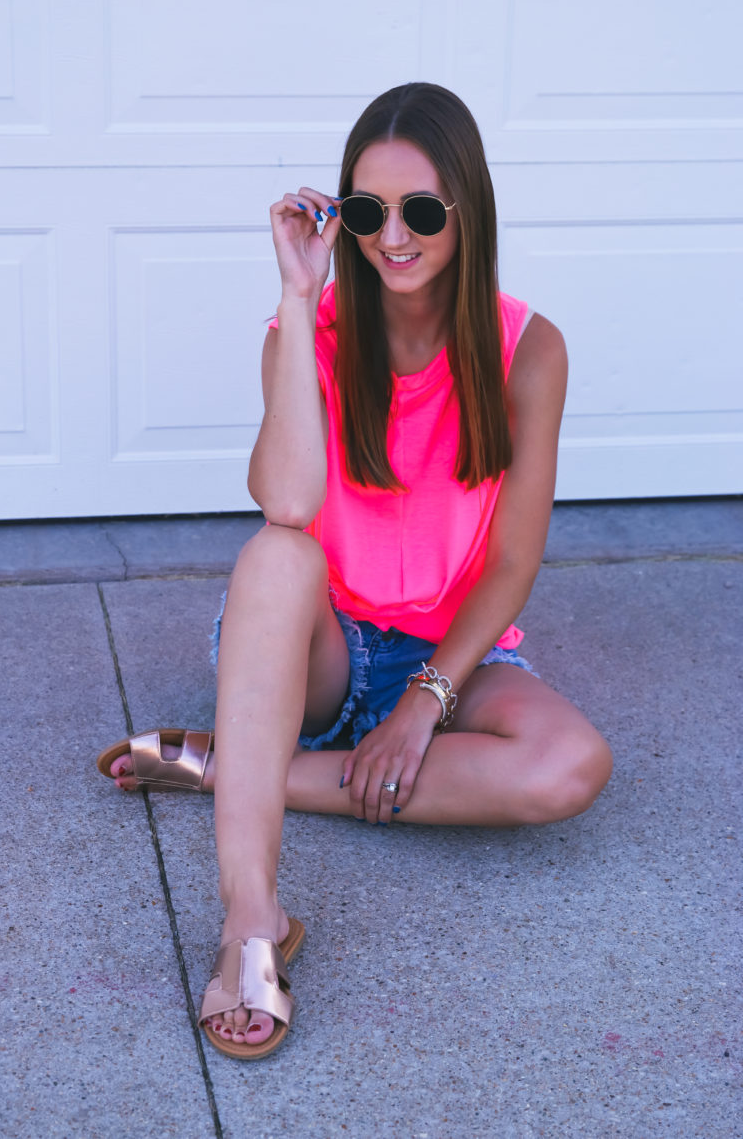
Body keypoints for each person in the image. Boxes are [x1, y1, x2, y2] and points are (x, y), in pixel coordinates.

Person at [97, 83, 612, 1060]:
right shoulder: (314, 330)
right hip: (322, 650)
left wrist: (424, 702)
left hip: (452, 655)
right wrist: (296, 300)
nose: (393, 237)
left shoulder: (528, 350)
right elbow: (285, 503)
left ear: (466, 210)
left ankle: (234, 768)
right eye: (367, 212)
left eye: (419, 211)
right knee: (276, 554)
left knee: (569, 765)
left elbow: (510, 563)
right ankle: (253, 921)